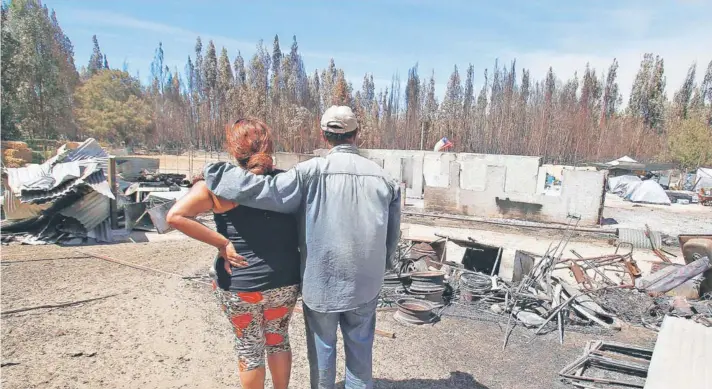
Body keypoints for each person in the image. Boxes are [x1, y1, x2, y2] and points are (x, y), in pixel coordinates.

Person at [203, 105, 402, 389]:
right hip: (365, 285)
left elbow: (262, 190)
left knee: (323, 352)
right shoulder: (384, 178)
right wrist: (383, 266)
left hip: (322, 283)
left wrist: (215, 173)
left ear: (323, 136)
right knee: (360, 352)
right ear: (357, 135)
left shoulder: (308, 173)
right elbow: (392, 236)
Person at [166, 119, 300, 389]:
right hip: (284, 280)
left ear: (234, 149)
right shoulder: (285, 185)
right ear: (268, 146)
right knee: (277, 339)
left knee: (250, 349)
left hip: (240, 283)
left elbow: (175, 216)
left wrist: (221, 243)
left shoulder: (215, 187)